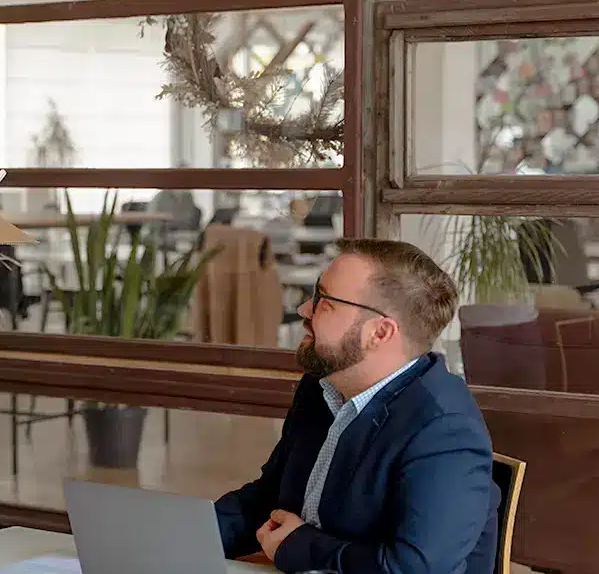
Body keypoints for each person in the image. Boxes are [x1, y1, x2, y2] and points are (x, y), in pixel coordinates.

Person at [214, 238, 500, 573]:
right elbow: (269, 499)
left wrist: (301, 546)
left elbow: (413, 569)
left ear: (379, 333)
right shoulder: (323, 386)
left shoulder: (445, 429)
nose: (304, 309)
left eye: (324, 301)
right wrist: (186, 533)